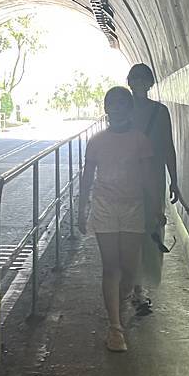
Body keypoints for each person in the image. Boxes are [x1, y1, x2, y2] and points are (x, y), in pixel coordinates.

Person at [78, 86, 161, 352]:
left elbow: (149, 178)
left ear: (129, 108)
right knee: (110, 267)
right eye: (112, 103)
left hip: (133, 207)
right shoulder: (96, 141)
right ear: (106, 108)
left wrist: (156, 208)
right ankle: (115, 327)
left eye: (122, 103)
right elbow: (87, 177)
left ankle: (121, 304)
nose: (117, 107)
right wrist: (82, 209)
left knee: (128, 270)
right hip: (104, 207)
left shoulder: (140, 140)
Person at [127, 63, 179, 307]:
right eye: (135, 78)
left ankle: (140, 284)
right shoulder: (126, 111)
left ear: (149, 83)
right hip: (130, 180)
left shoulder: (160, 112)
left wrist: (175, 181)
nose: (139, 82)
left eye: (142, 78)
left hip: (152, 180)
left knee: (150, 229)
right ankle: (136, 286)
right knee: (132, 230)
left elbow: (168, 146)